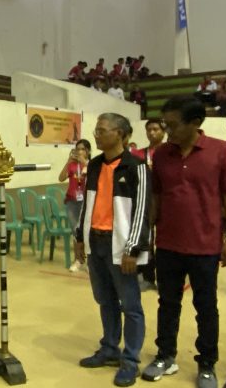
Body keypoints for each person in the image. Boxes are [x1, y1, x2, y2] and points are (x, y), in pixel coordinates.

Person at [142, 96, 226, 388]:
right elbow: (157, 197)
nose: (167, 130)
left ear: (196, 123)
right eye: (165, 124)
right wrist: (149, 235)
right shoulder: (161, 154)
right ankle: (165, 355)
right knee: (167, 303)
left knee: (206, 307)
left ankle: (207, 363)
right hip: (168, 244)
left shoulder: (221, 151)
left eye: (172, 125)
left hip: (205, 246)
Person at [75, 113, 151, 388]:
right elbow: (87, 203)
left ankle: (130, 360)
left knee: (130, 306)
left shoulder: (136, 167)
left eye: (102, 130)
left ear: (120, 134)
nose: (96, 135)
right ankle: (109, 348)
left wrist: (133, 248)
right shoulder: (94, 165)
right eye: (96, 130)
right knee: (105, 300)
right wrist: (79, 237)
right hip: (96, 243)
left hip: (121, 246)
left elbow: (143, 212)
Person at [131, 119, 166, 292]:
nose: (152, 133)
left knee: (164, 242)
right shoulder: (138, 154)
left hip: (166, 203)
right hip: (145, 202)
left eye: (156, 129)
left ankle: (164, 277)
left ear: (163, 131)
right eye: (149, 130)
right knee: (145, 239)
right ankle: (146, 275)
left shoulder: (170, 152)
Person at [60, 139, 92, 273]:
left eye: (82, 149)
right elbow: (61, 178)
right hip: (72, 201)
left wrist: (84, 162)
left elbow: (95, 178)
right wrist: (68, 162)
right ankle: (78, 259)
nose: (79, 151)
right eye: (77, 149)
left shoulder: (91, 164)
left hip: (87, 202)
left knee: (88, 232)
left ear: (88, 151)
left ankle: (91, 261)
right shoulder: (72, 165)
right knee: (75, 232)